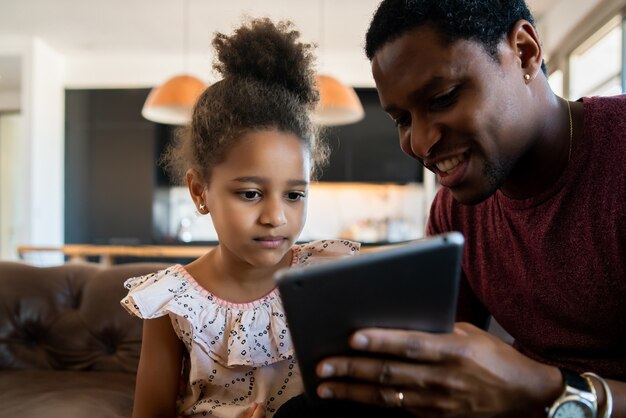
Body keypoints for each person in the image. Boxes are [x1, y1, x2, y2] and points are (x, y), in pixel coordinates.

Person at [309, 1, 626, 417]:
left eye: (442, 98)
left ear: (525, 53)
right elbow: (440, 367)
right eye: (402, 120)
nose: (420, 144)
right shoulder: (455, 214)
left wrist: (547, 388)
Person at [120, 18, 360, 418]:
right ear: (200, 192)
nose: (275, 217)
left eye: (295, 194)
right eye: (250, 193)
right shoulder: (172, 303)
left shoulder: (327, 276)